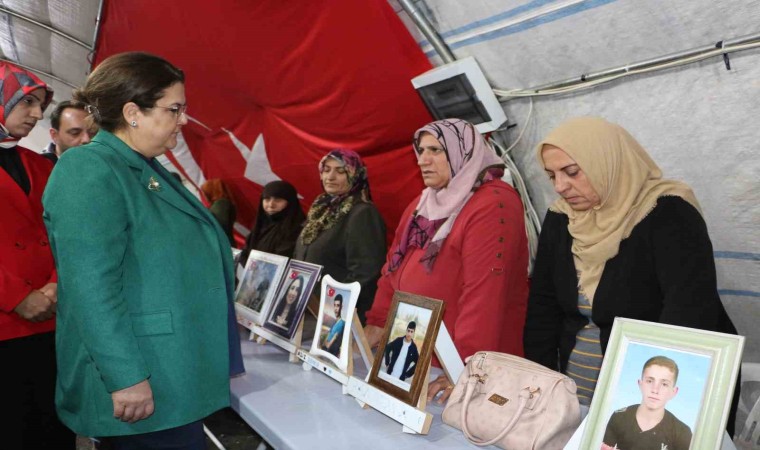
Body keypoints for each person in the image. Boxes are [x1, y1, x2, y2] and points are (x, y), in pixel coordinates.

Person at [42, 52, 243, 449]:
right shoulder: (89, 169)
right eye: (174, 109)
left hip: (169, 367)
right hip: (142, 379)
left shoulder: (145, 169)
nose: (183, 120)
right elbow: (90, 287)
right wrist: (125, 376)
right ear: (133, 112)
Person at [522, 117, 739, 431]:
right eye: (551, 175)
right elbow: (543, 308)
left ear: (607, 162)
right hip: (573, 394)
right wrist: (541, 387)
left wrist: (639, 414)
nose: (560, 186)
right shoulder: (561, 218)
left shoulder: (667, 213)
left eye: (572, 172)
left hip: (651, 398)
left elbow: (687, 318)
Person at [364, 118, 529, 403]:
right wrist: (377, 322)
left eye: (436, 150)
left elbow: (484, 295)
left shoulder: (494, 203)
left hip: (468, 366)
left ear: (463, 152)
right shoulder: (425, 201)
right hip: (419, 356)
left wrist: (466, 369)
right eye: (420, 151)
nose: (422, 161)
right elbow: (393, 268)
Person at [0, 61, 75, 450]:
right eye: (26, 102)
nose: (35, 114)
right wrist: (16, 297)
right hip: (5, 323)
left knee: (52, 427)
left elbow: (67, 234)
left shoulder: (42, 166)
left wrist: (56, 286)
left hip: (50, 322)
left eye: (40, 105)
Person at [293, 149, 386, 324]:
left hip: (340, 320)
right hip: (309, 314)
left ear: (355, 175)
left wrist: (332, 311)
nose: (330, 176)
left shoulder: (363, 213)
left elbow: (365, 272)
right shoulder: (320, 209)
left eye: (340, 171)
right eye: (326, 170)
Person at [602, 356, 692, 450]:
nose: (655, 390)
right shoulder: (619, 417)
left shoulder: (682, 432)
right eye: (649, 381)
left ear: (674, 392)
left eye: (664, 384)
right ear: (640, 384)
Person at [239, 180, 305, 265]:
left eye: (278, 200)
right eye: (267, 199)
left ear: (290, 202)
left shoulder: (297, 229)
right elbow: (246, 253)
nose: (271, 205)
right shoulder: (260, 226)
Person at [201, 178, 237, 246]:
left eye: (205, 192)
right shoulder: (221, 203)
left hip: (222, 244)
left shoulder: (221, 204)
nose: (204, 196)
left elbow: (219, 224)